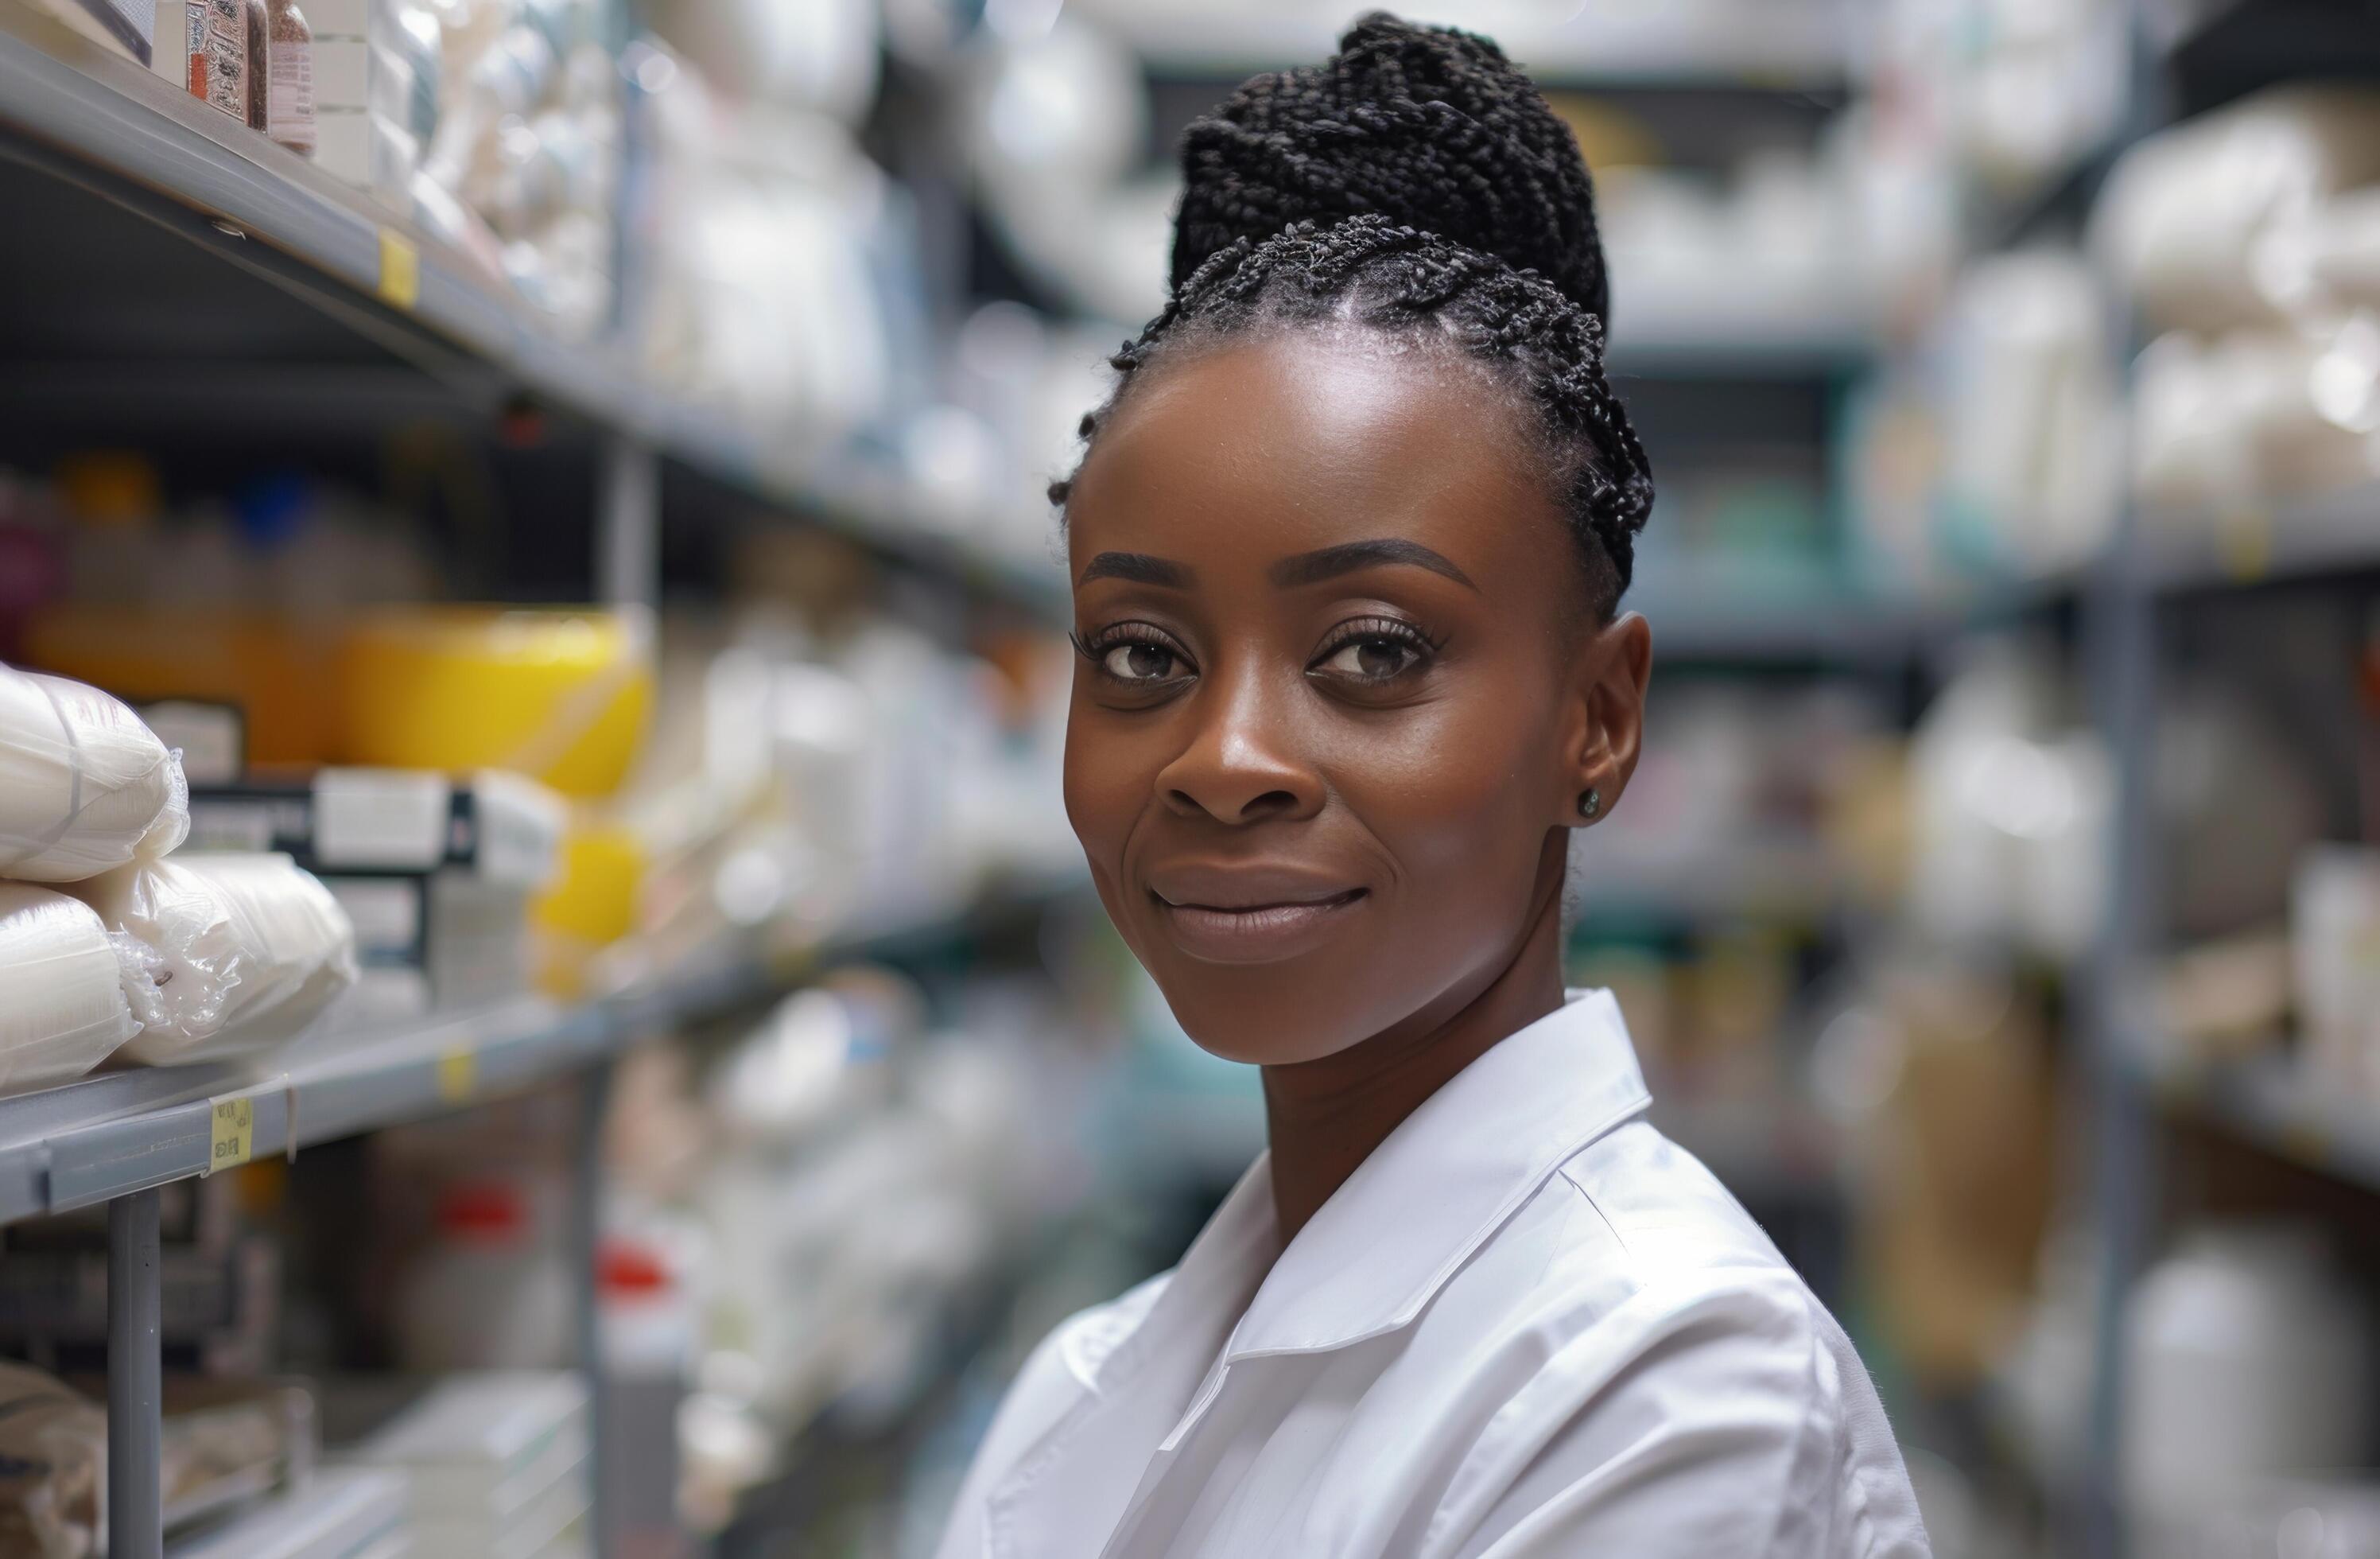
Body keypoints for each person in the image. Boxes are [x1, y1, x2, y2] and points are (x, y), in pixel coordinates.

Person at [934, 14, 1931, 1557]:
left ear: (1597, 718)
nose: (1224, 760)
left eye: (1373, 648)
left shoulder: (1675, 1398)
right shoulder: (1084, 1384)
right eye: (1140, 653)